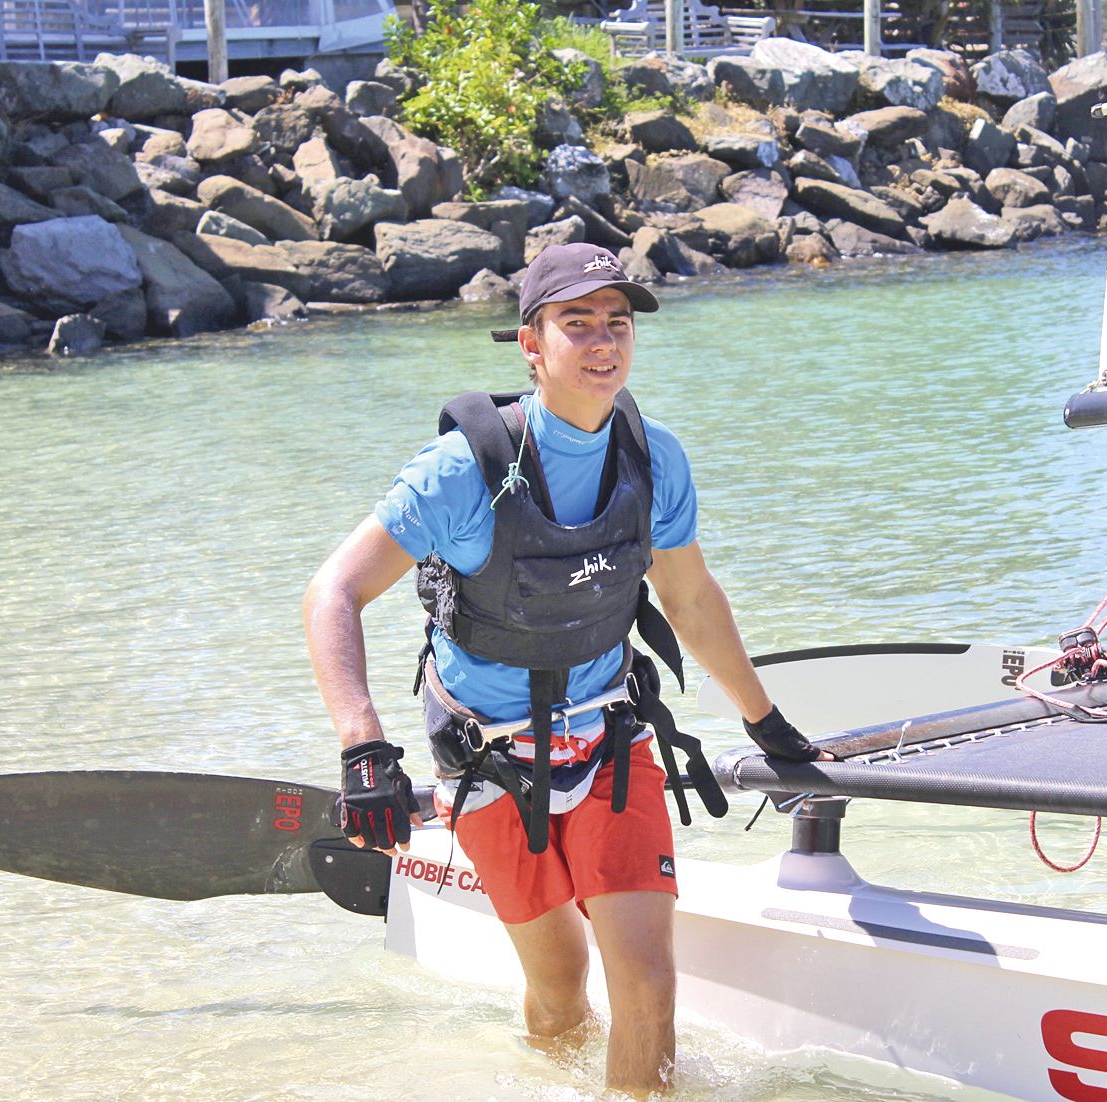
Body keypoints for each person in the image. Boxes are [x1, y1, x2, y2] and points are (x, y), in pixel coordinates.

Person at [304, 243, 829, 1096]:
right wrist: (362, 744)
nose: (602, 342)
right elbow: (333, 591)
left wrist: (764, 721)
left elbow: (690, 600)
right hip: (489, 767)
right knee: (557, 998)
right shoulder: (460, 470)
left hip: (612, 746)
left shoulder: (654, 458)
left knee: (650, 988)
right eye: (575, 323)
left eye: (617, 323)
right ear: (530, 344)